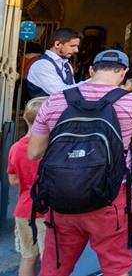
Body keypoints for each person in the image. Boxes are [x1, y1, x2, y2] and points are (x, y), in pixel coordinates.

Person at [28, 49, 132, 276]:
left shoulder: (55, 100)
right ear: (123, 73)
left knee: (55, 268)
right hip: (110, 197)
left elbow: (34, 151)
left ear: (91, 70)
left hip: (61, 196)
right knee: (115, 269)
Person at [7, 97, 46, 276]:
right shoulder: (51, 147)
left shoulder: (15, 147)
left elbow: (12, 180)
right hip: (47, 210)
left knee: (28, 257)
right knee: (50, 259)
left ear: (25, 119)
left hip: (24, 209)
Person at [26, 28, 81, 98]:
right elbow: (61, 93)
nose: (76, 50)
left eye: (77, 46)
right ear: (57, 44)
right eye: (72, 46)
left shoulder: (67, 65)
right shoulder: (42, 65)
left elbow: (73, 90)